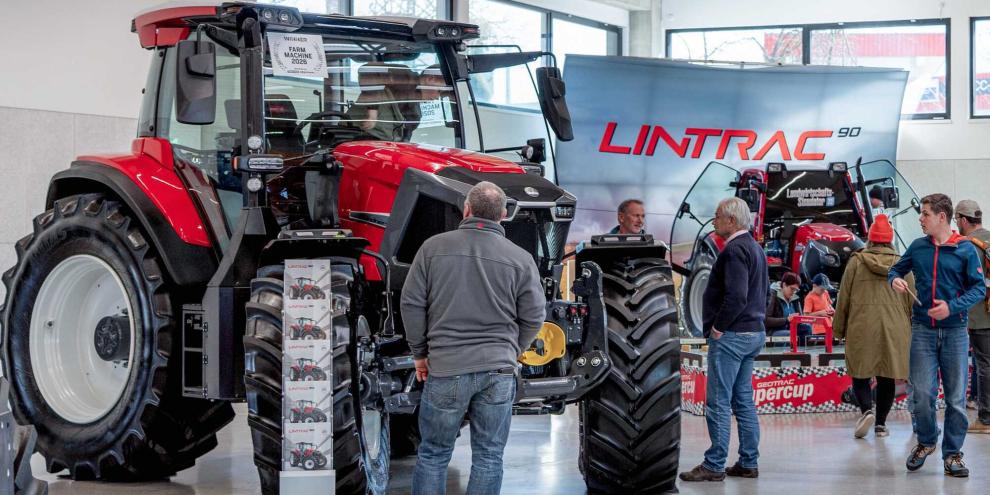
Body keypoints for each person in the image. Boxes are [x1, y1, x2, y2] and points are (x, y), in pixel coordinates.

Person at [401, 181, 546, 494]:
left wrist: (420, 353)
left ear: (466, 210)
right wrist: (512, 349)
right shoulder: (521, 259)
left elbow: (411, 304)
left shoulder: (432, 248)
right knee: (489, 455)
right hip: (499, 371)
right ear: (504, 215)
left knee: (434, 454)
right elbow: (535, 315)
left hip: (446, 368)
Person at [889, 193, 986, 477]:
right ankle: (927, 440)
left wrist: (952, 307)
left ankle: (953, 454)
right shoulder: (918, 247)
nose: (920, 219)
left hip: (956, 332)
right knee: (921, 394)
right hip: (922, 331)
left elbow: (979, 289)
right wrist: (894, 278)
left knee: (956, 399)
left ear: (941, 217)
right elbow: (896, 269)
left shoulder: (965, 250)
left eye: (925, 214)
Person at [680, 197, 768, 482]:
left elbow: (737, 296)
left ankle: (714, 465)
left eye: (717, 216)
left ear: (732, 220)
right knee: (743, 400)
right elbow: (762, 293)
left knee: (717, 401)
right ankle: (748, 462)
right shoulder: (755, 249)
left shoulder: (733, 251)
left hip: (732, 336)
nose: (714, 220)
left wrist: (718, 327)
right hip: (754, 332)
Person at [833, 214, 913, 439]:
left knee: (860, 373)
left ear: (870, 239)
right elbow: (911, 298)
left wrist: (838, 329)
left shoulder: (857, 262)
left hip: (862, 324)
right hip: (894, 327)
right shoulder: (903, 262)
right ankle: (880, 424)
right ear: (889, 240)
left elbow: (844, 298)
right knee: (887, 375)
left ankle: (867, 410)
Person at [955, 199, 990, 433]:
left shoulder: (967, 245)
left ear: (964, 220)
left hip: (979, 315)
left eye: (956, 219)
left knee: (984, 366)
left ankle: (986, 419)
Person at [765, 272, 810, 345]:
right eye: (792, 289)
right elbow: (766, 320)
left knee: (806, 328)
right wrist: (787, 319)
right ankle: (785, 356)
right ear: (784, 285)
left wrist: (801, 319)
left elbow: (800, 318)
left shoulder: (795, 298)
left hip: (789, 329)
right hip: (773, 331)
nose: (793, 292)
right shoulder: (772, 296)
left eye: (796, 290)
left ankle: (803, 354)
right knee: (789, 334)